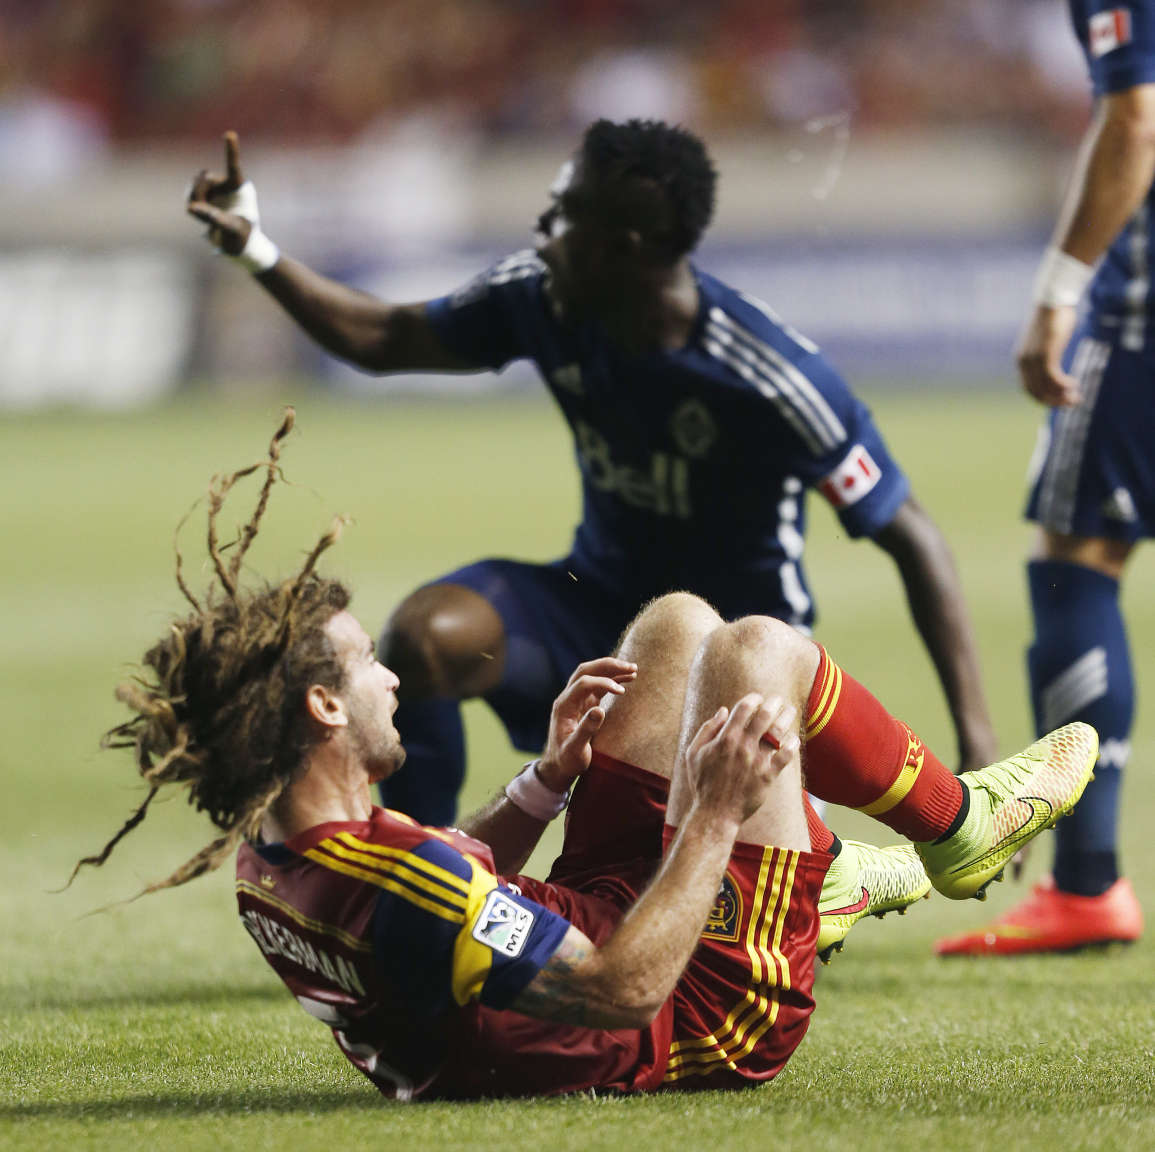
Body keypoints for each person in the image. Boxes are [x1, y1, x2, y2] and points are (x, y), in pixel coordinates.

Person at [77, 415, 1096, 1099]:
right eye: (369, 666)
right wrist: (715, 815)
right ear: (321, 707)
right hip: (703, 1005)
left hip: (596, 920)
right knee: (757, 652)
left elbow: (445, 904)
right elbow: (622, 990)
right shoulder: (414, 883)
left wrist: (548, 777)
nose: (396, 682)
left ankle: (818, 875)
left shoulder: (276, 853)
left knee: (671, 627)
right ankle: (957, 832)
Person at [186, 119, 997, 827]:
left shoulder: (769, 376)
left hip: (731, 655)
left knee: (726, 904)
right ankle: (402, 879)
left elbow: (911, 535)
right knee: (426, 637)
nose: (542, 232)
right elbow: (387, 337)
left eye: (561, 216)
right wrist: (256, 250)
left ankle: (789, 813)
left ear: (624, 248)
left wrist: (975, 738)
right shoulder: (541, 298)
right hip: (594, 608)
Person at [938, 1, 1150, 957]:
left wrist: (1056, 295)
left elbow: (1134, 117)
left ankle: (1085, 883)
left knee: (1077, 557)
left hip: (1143, 318)